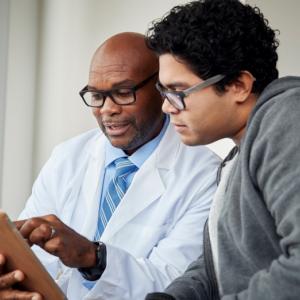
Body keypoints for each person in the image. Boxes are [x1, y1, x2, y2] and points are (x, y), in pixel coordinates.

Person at [0, 32, 220, 299]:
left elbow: (177, 285)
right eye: (96, 95)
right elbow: (32, 258)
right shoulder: (67, 157)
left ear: (160, 88)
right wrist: (12, 281)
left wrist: (92, 257)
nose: (107, 109)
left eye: (123, 93)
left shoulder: (206, 176)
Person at [145, 0, 300, 299]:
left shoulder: (286, 120)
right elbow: (219, 260)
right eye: (163, 93)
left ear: (239, 85)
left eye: (178, 93)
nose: (167, 107)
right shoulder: (239, 154)